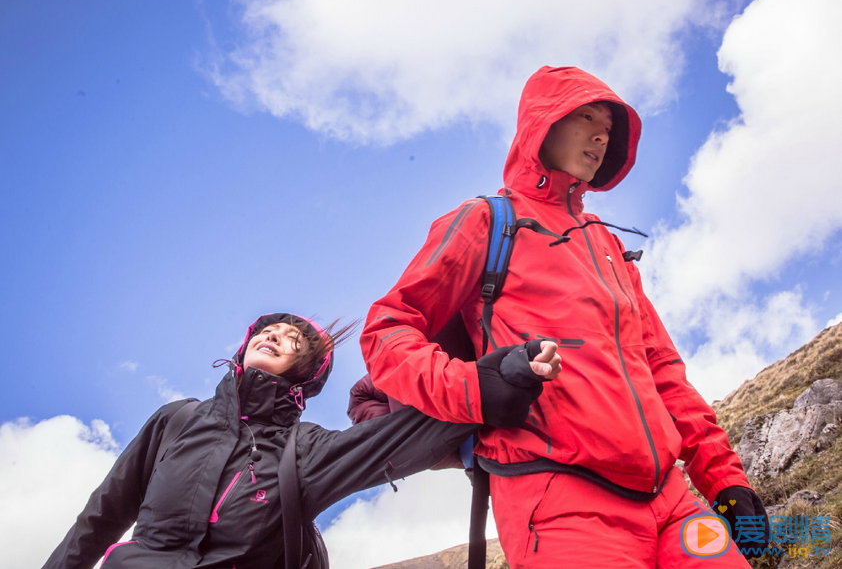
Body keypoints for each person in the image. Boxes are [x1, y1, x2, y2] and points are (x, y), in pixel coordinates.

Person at [360, 66, 770, 568]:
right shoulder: (487, 221)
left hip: (674, 502)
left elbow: (661, 367)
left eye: (609, 127)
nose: (601, 133)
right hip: (560, 504)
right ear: (542, 124)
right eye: (586, 115)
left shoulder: (608, 245)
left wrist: (722, 475)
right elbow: (387, 328)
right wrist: (475, 388)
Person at [44, 312, 548, 569]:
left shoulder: (305, 449)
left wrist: (504, 373)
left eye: (293, 339)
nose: (276, 335)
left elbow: (400, 436)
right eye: (269, 329)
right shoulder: (175, 420)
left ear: (304, 370)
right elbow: (101, 517)